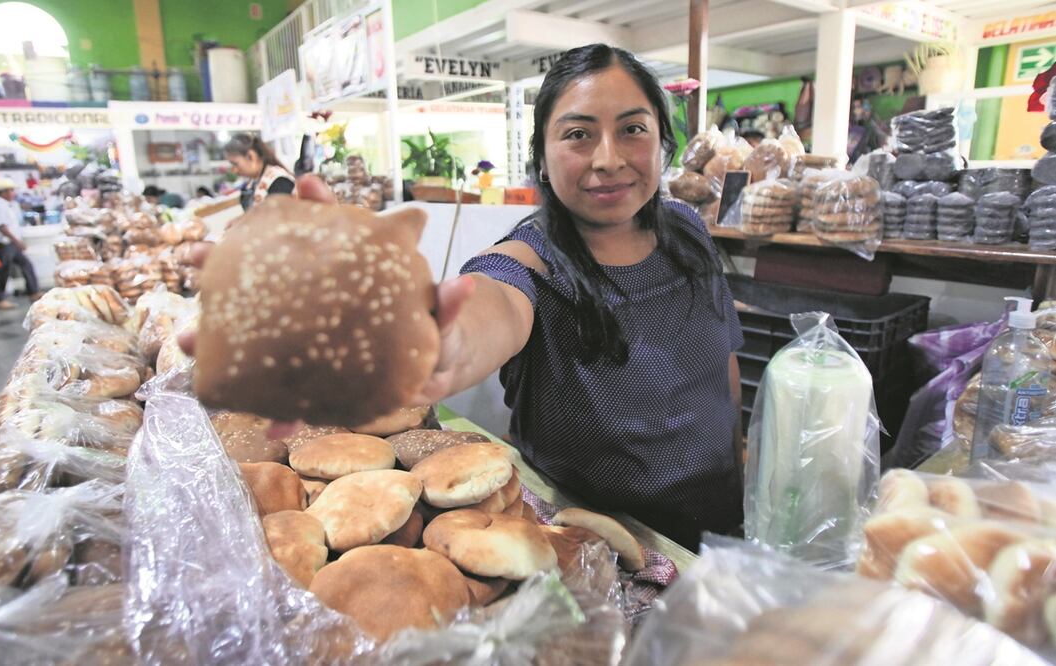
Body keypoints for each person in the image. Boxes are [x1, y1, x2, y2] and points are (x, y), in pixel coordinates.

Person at [182, 44, 744, 551]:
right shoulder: (531, 260)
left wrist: (739, 456)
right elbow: (479, 318)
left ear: (662, 140)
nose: (607, 158)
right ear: (542, 159)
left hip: (720, 510)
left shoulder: (687, 228)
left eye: (632, 129)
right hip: (599, 536)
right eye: (577, 134)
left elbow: (723, 361)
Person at [0, 177, 40, 309]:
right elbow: (2, 227)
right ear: (3, 192)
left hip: (10, 244)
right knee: (3, 271)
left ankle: (33, 291)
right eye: (11, 190)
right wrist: (17, 242)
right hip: (3, 244)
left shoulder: (7, 204)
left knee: (26, 264)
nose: (13, 193)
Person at [223, 133, 295, 211]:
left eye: (235, 164)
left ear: (251, 156)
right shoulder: (252, 183)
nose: (234, 170)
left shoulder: (278, 181)